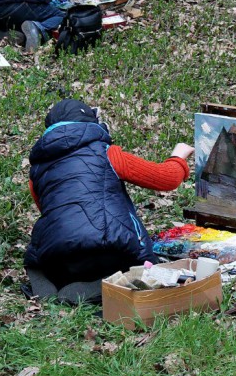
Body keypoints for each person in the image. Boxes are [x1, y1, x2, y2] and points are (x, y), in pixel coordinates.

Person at [24, 99, 194, 298]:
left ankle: (53, 283)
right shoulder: (108, 154)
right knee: (137, 264)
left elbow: (48, 208)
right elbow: (166, 179)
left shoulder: (37, 172)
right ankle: (111, 283)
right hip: (111, 249)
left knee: (55, 254)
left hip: (58, 256)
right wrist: (179, 156)